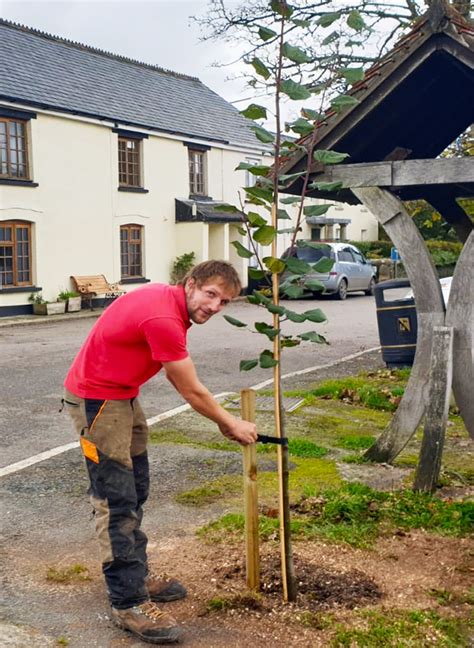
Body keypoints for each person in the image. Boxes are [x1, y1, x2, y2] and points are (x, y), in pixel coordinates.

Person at [63, 260, 257, 644]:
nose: (215, 306)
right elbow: (191, 390)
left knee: (137, 487)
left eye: (225, 302)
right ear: (190, 284)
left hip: (121, 396)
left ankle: (137, 572)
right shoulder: (164, 318)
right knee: (115, 501)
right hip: (97, 402)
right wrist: (230, 423)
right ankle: (128, 602)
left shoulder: (168, 302)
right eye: (211, 294)